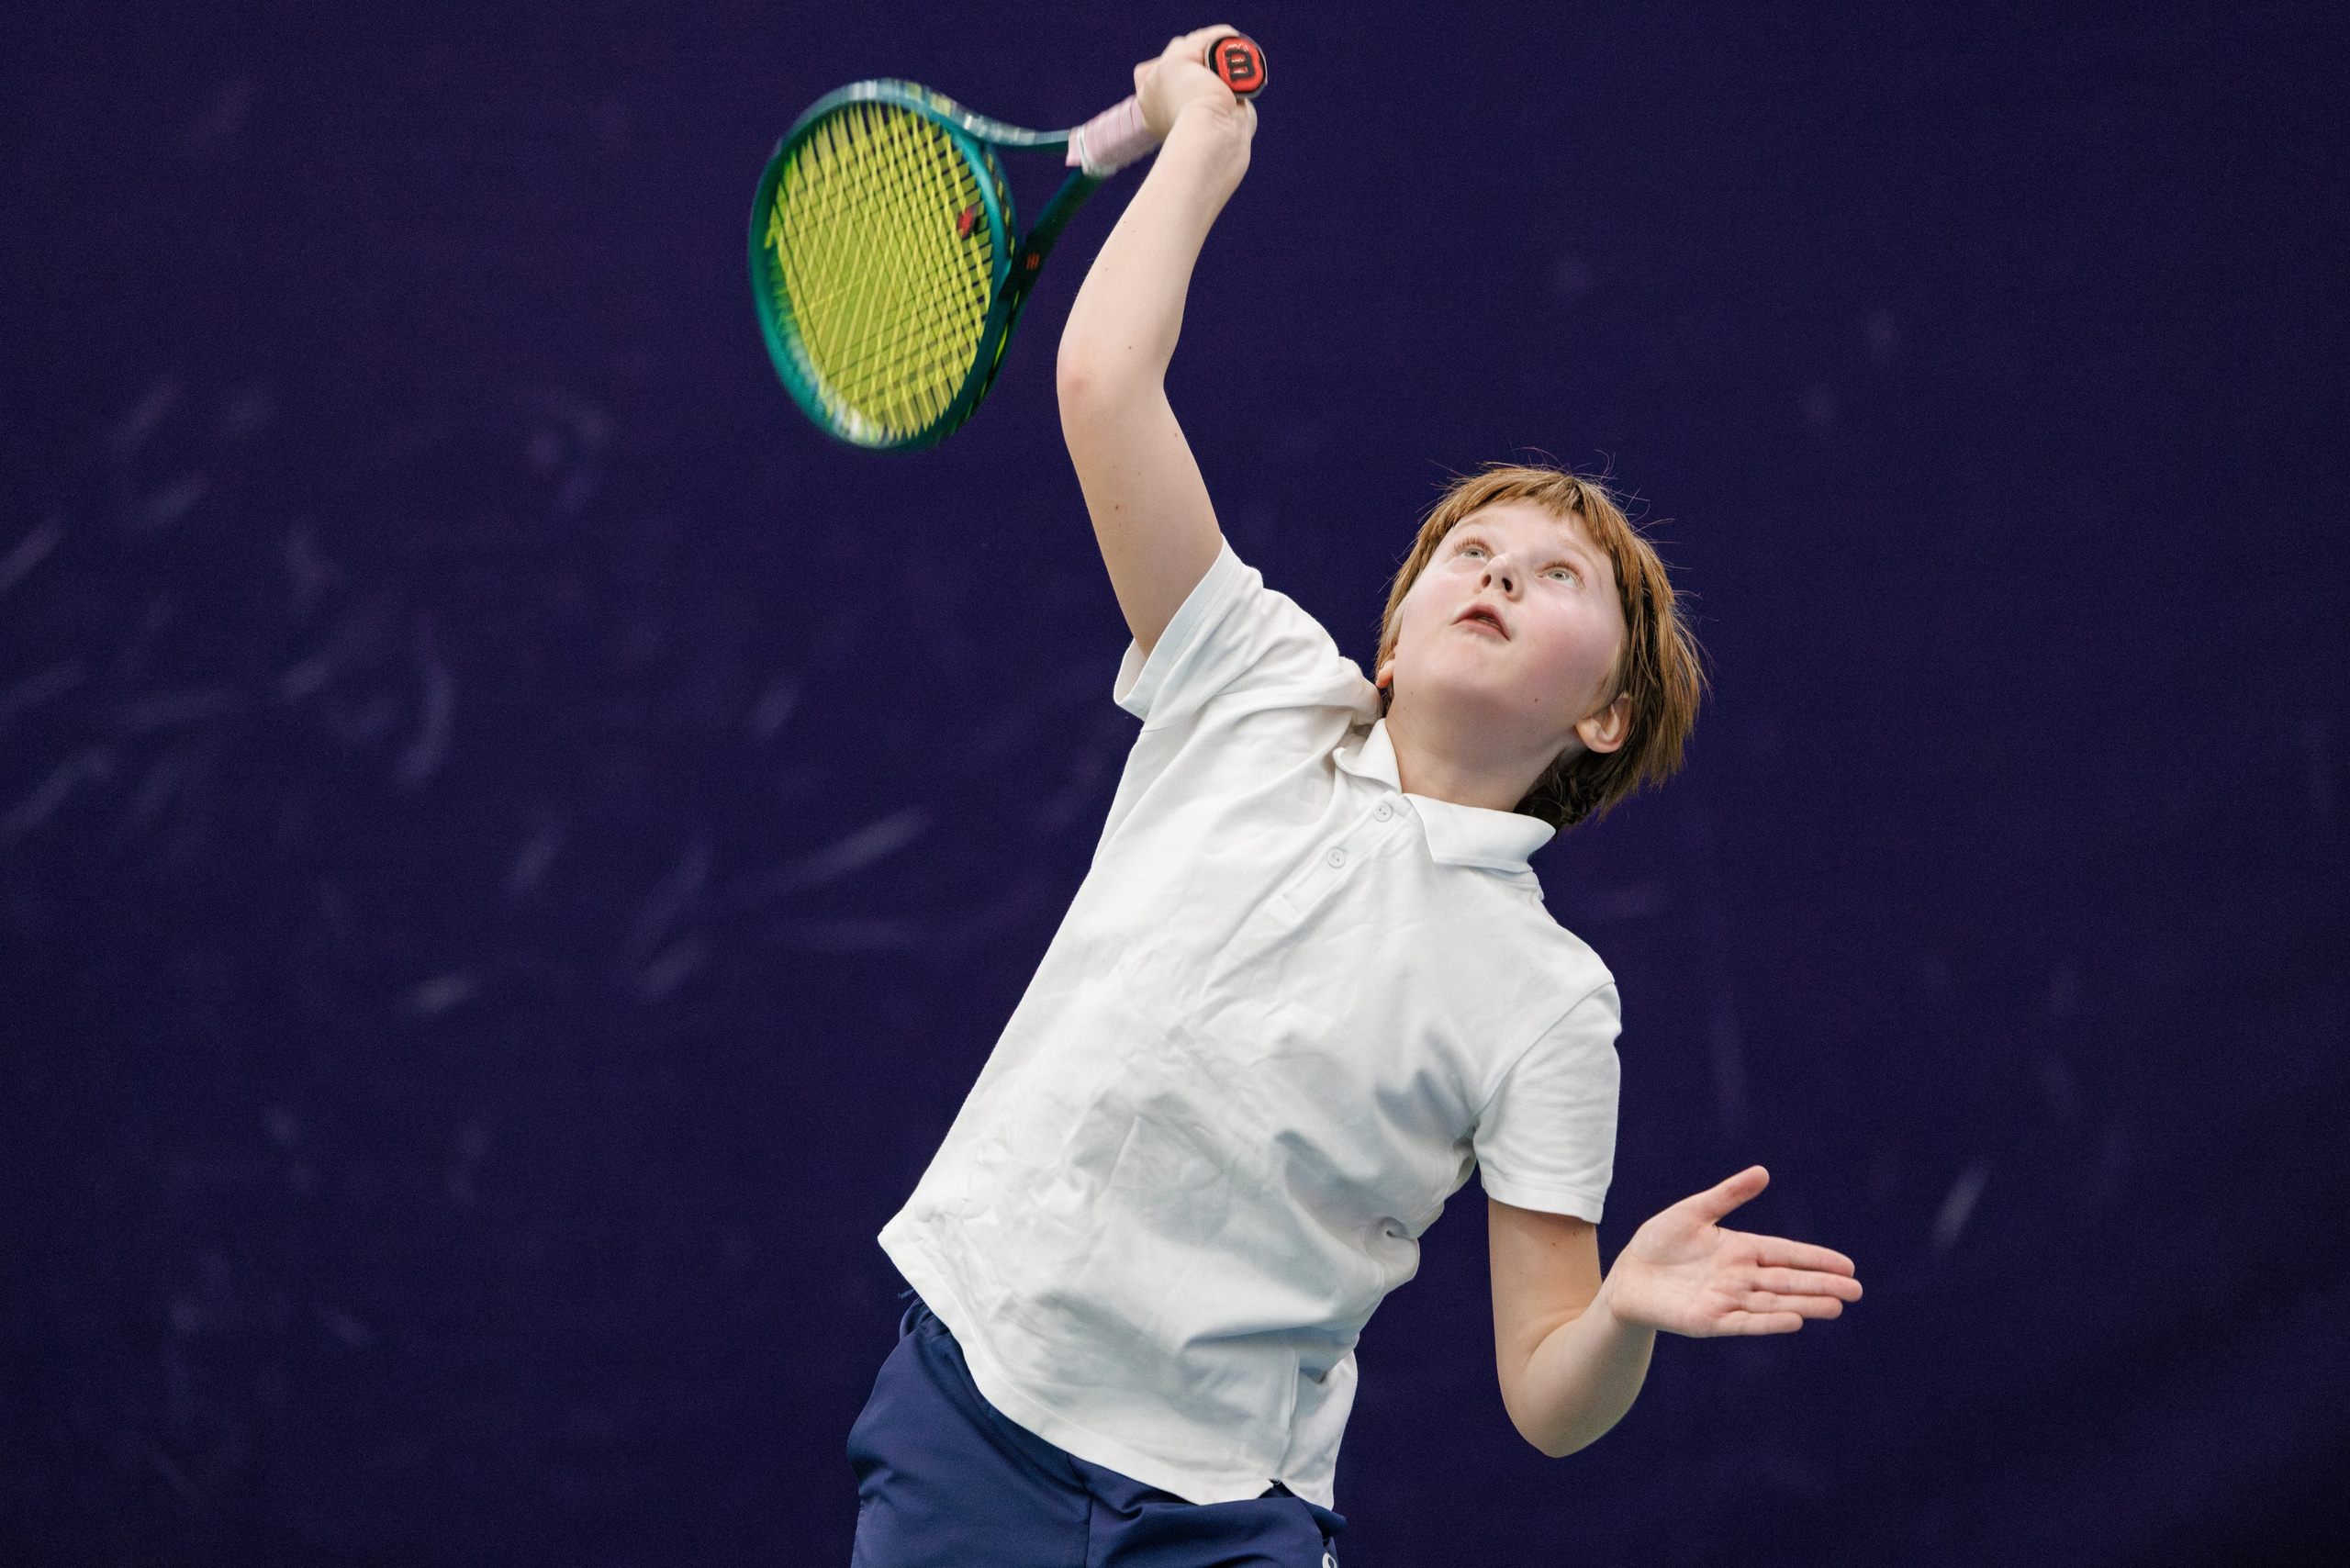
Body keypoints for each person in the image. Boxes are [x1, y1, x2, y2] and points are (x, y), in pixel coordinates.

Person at [845, 26, 1863, 1567]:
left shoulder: (1547, 1002)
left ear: (1606, 712)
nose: (1499, 568)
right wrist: (1198, 149)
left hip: (1228, 1517)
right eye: (1468, 552)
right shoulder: (1248, 684)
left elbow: (1546, 1390)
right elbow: (1102, 377)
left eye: (1556, 574)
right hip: (972, 1416)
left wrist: (1627, 1316)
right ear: (1388, 639)